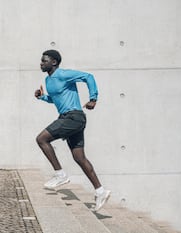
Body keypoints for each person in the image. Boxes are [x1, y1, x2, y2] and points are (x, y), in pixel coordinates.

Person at [34, 49, 110, 211]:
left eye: (44, 60)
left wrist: (93, 98)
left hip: (73, 117)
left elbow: (88, 77)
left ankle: (60, 175)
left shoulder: (63, 74)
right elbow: (55, 100)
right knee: (79, 157)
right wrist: (41, 97)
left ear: (53, 62)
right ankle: (101, 191)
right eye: (41, 61)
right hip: (69, 118)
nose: (41, 63)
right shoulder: (48, 81)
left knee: (41, 139)